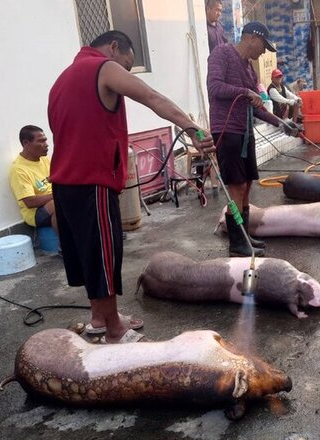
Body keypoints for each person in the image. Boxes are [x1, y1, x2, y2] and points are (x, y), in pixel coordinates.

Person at [48, 30, 215, 343]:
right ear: (113, 48)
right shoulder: (103, 67)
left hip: (63, 183)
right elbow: (152, 97)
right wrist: (191, 127)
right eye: (126, 64)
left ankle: (100, 317)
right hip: (91, 183)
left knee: (90, 256)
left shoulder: (63, 78)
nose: (124, 72)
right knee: (104, 255)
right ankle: (114, 330)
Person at [207, 21, 298, 257]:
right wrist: (245, 92)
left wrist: (281, 123)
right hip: (227, 130)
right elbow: (215, 87)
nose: (263, 52)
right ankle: (237, 243)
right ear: (252, 38)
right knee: (236, 185)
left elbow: (255, 106)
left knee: (246, 184)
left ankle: (244, 236)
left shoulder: (249, 69)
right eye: (263, 47)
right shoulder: (222, 54)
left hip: (245, 131)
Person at [9, 125, 57, 234]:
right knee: (59, 204)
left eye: (46, 141)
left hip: (52, 202)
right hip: (35, 213)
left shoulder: (44, 159)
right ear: (26, 143)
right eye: (41, 141)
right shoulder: (18, 169)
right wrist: (57, 194)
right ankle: (64, 247)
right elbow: (30, 202)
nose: (46, 145)